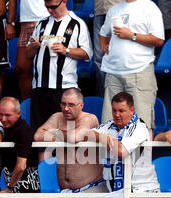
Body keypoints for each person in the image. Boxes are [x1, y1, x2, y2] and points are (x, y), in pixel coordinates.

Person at [26, 0, 93, 132]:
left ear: (64, 2)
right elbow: (28, 53)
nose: (50, 11)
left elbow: (87, 53)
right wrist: (33, 47)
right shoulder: (42, 23)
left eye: (53, 7)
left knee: (63, 133)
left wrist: (66, 50)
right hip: (39, 87)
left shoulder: (77, 23)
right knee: (39, 133)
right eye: (47, 7)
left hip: (63, 89)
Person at [99, 0, 164, 134]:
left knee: (142, 124)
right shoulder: (114, 9)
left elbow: (158, 39)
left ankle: (143, 156)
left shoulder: (149, 7)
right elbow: (103, 32)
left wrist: (132, 36)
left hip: (139, 71)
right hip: (113, 72)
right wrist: (104, 45)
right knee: (109, 124)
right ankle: (113, 156)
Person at [34, 88, 107, 198]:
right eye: (63, 104)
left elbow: (75, 137)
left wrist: (54, 133)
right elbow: (38, 135)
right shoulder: (57, 117)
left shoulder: (89, 118)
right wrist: (61, 135)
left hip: (90, 189)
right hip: (65, 191)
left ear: (81, 105)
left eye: (71, 105)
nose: (66, 108)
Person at [0, 96, 40, 194]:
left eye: (8, 115)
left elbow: (21, 165)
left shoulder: (23, 130)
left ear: (18, 114)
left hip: (27, 192)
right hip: (14, 188)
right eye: (0, 114)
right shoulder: (6, 127)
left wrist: (9, 188)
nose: (3, 119)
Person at [15, 0, 49, 101]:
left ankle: (44, 103)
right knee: (21, 67)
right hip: (26, 21)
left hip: (46, 18)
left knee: (47, 68)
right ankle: (27, 104)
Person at [93, 0, 121, 97]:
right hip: (99, 11)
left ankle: (118, 98)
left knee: (117, 56)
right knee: (98, 59)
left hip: (118, 11)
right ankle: (102, 98)